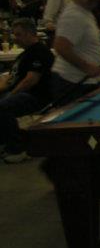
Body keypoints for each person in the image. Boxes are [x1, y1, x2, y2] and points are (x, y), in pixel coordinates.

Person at [0, 18, 54, 163]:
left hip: (35, 96)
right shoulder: (24, 54)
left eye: (18, 34)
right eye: (14, 34)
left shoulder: (40, 52)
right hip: (21, 93)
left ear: (30, 33)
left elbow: (30, 80)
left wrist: (10, 95)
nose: (15, 38)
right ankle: (5, 142)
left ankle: (18, 149)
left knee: (2, 107)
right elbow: (11, 78)